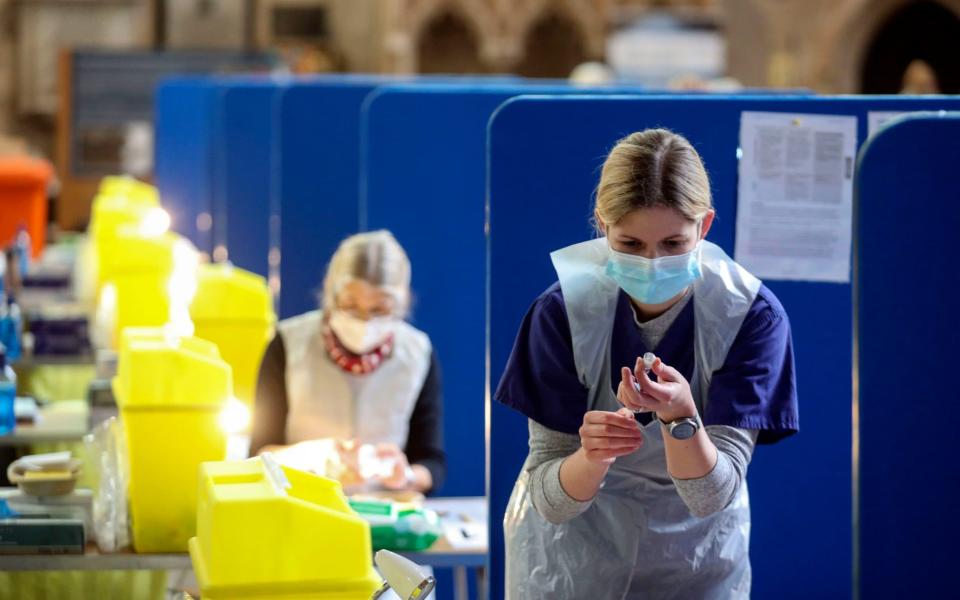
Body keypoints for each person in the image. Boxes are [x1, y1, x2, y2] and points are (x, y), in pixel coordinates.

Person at [495, 129, 798, 598]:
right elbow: (551, 503)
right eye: (631, 244)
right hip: (571, 568)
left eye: (674, 244)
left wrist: (681, 419)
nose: (653, 263)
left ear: (706, 226)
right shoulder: (562, 314)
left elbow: (711, 496)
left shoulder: (748, 316)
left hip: (697, 566)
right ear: (602, 225)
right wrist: (591, 455)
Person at [251, 230, 445, 494]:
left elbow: (431, 462)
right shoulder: (288, 343)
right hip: (303, 505)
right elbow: (260, 451)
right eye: (350, 305)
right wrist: (322, 458)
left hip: (384, 513)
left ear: (401, 304)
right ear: (331, 294)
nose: (364, 321)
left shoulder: (417, 353)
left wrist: (406, 475)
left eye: (380, 309)